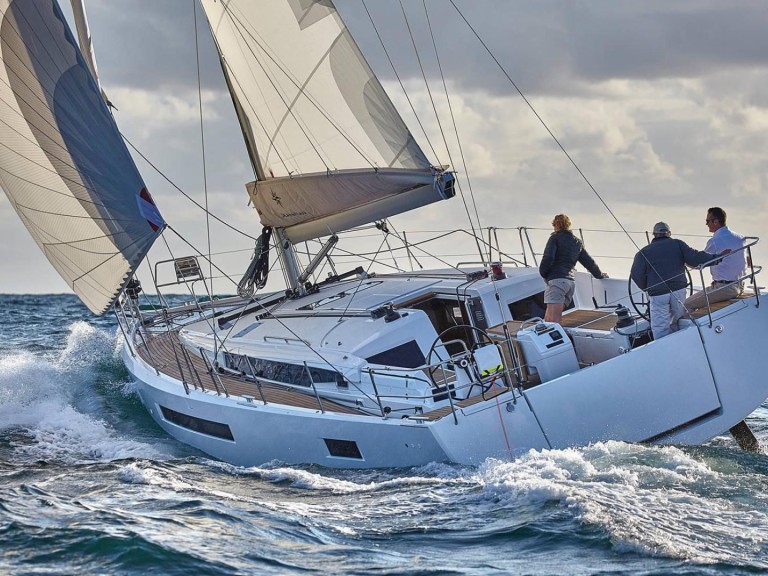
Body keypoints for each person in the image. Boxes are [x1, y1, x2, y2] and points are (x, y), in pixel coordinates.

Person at [630, 222, 723, 340]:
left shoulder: (643, 252)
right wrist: (717, 258)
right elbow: (695, 258)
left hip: (658, 295)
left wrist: (647, 288)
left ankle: (664, 352)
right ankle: (680, 343)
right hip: (679, 290)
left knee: (660, 328)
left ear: (654, 234)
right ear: (669, 233)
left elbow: (636, 274)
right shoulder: (678, 244)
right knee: (678, 321)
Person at [539, 214, 607, 324]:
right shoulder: (577, 242)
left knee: (553, 321)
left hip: (556, 282)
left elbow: (548, 258)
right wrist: (600, 275)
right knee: (548, 320)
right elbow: (589, 262)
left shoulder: (554, 238)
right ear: (568, 225)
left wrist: (544, 274)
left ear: (556, 225)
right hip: (570, 284)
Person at [684, 207, 745, 310]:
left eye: (707, 221)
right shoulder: (740, 238)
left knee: (685, 305)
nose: (706, 224)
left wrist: (683, 261)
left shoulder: (714, 241)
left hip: (724, 289)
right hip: (740, 285)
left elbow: (699, 264)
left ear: (716, 222)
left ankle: (682, 326)